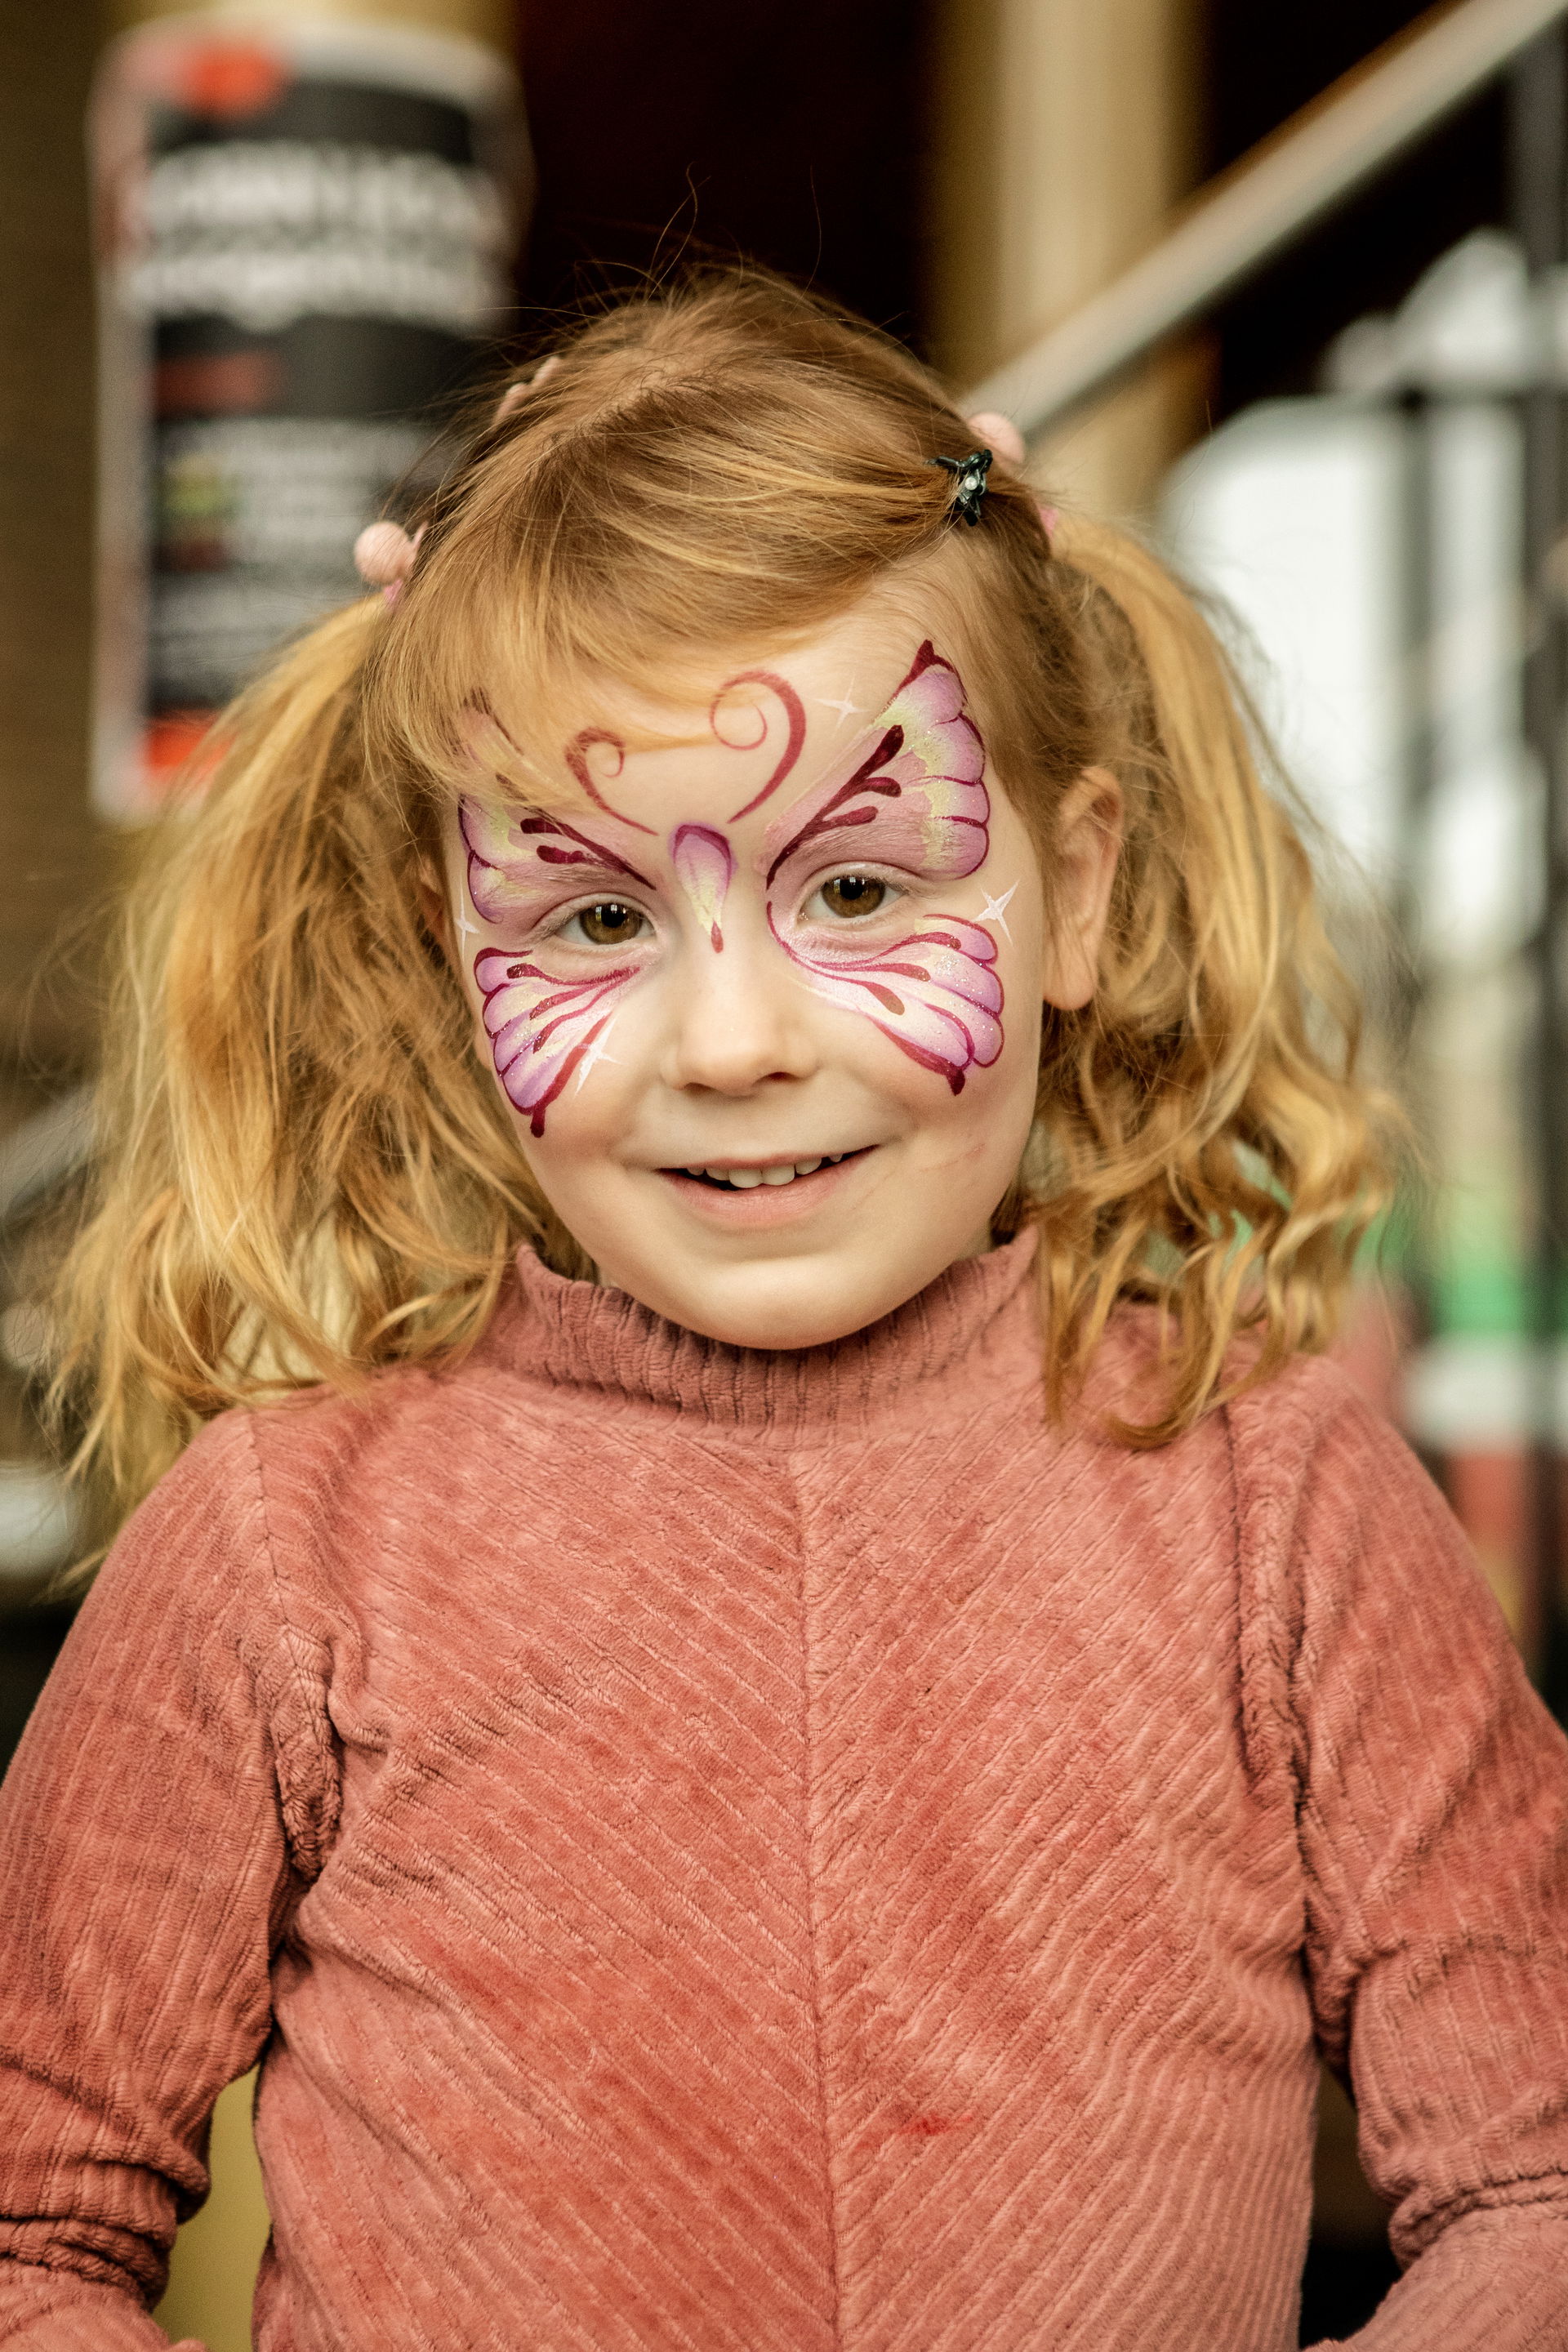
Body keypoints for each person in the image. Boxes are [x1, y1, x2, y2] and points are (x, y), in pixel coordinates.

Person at [0, 270, 1564, 2352]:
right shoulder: (286, 1550)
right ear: (448, 950)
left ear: (1077, 889)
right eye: (590, 914)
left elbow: (1542, 2185)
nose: (731, 1035)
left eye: (856, 887)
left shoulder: (1277, 1505)